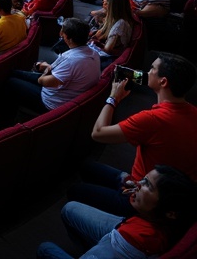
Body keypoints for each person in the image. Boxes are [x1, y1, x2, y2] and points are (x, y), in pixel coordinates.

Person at [70, 54, 197, 217]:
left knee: (75, 190)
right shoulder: (193, 112)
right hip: (166, 195)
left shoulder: (152, 119)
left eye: (152, 68)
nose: (148, 72)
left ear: (163, 81)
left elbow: (98, 133)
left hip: (141, 198)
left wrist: (113, 98)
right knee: (86, 167)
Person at [37, 166, 197, 259]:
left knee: (45, 248)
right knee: (69, 208)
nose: (138, 185)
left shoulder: (129, 241)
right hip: (126, 228)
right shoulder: (168, 222)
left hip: (119, 242)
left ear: (170, 212)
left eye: (148, 185)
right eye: (144, 179)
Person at [0, 17, 100, 121]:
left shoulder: (72, 60)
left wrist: (47, 69)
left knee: (11, 82)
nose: (61, 34)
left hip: (52, 102)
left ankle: (2, 122)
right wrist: (49, 67)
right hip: (63, 88)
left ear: (68, 38)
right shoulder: (93, 53)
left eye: (63, 32)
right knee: (14, 73)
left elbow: (43, 81)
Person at [88, 0, 135, 66]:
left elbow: (107, 49)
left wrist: (96, 43)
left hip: (108, 59)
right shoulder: (114, 18)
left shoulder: (121, 24)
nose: (103, 0)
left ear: (111, 4)